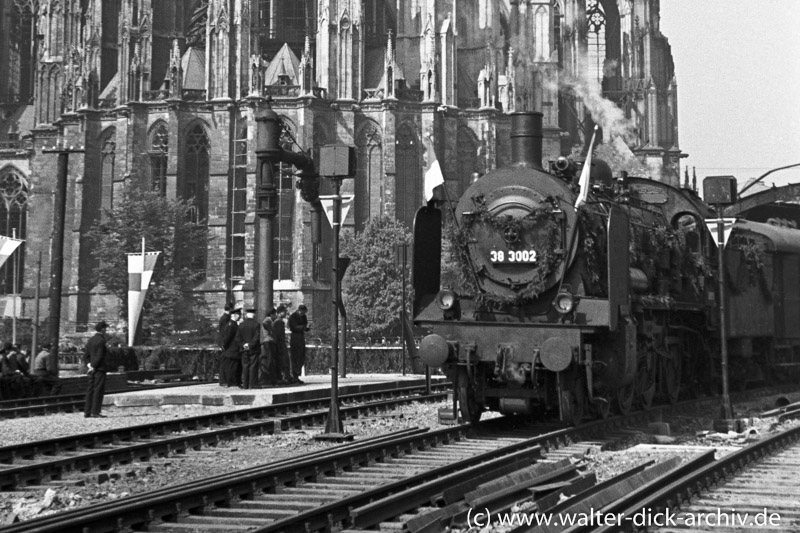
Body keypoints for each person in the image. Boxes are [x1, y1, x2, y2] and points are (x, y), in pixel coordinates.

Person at [84, 321, 110, 418]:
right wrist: (94, 367)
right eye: (105, 329)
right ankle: (95, 411)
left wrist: (89, 366)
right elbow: (99, 356)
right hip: (99, 369)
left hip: (91, 369)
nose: (106, 330)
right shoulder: (102, 341)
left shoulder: (90, 340)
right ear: (102, 329)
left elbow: (86, 356)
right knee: (98, 390)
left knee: (90, 389)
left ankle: (87, 411)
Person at [237, 308, 260, 389]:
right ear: (254, 315)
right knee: (253, 366)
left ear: (246, 315)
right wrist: (250, 345)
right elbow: (256, 337)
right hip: (253, 348)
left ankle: (245, 384)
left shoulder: (241, 325)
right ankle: (252, 384)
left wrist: (244, 345)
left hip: (244, 349)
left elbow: (238, 338)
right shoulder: (256, 324)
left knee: (245, 366)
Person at [219, 308, 242, 387]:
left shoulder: (233, 324)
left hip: (232, 350)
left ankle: (233, 381)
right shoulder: (231, 324)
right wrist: (224, 346)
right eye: (239, 315)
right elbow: (228, 337)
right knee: (231, 367)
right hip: (231, 350)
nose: (240, 316)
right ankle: (231, 382)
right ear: (235, 315)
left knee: (233, 367)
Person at [287, 304, 310, 384]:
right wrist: (303, 327)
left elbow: (305, 326)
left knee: (301, 356)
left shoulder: (303, 317)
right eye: (303, 312)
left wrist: (306, 328)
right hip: (295, 336)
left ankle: (297, 373)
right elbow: (294, 327)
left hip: (301, 337)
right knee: (295, 356)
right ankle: (294, 375)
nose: (303, 314)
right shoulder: (293, 317)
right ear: (299, 310)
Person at [259, 307, 277, 387]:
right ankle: (265, 379)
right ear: (272, 314)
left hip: (269, 341)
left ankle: (269, 379)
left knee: (271, 360)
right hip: (268, 341)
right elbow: (264, 324)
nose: (276, 315)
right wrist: (270, 330)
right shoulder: (268, 320)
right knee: (269, 360)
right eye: (275, 314)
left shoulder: (270, 320)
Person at [273, 305, 291, 385]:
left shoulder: (278, 321)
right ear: (280, 313)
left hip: (280, 343)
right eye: (284, 311)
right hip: (280, 344)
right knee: (283, 361)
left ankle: (284, 376)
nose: (286, 313)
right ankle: (283, 377)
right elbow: (278, 335)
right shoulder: (279, 322)